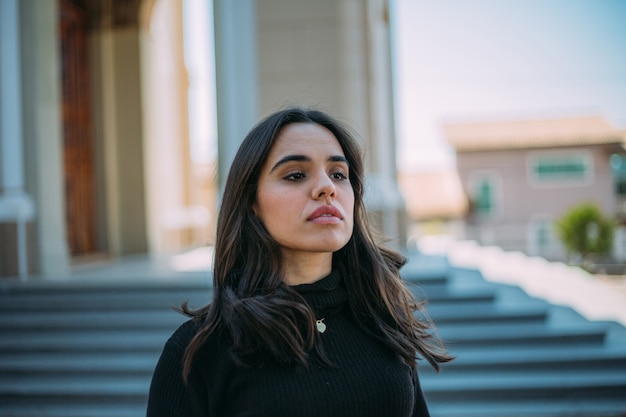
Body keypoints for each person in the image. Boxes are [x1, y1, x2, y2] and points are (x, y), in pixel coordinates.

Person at [146, 107, 453, 417]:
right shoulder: (201, 350)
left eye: (338, 174)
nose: (327, 188)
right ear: (251, 203)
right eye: (295, 175)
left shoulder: (381, 317)